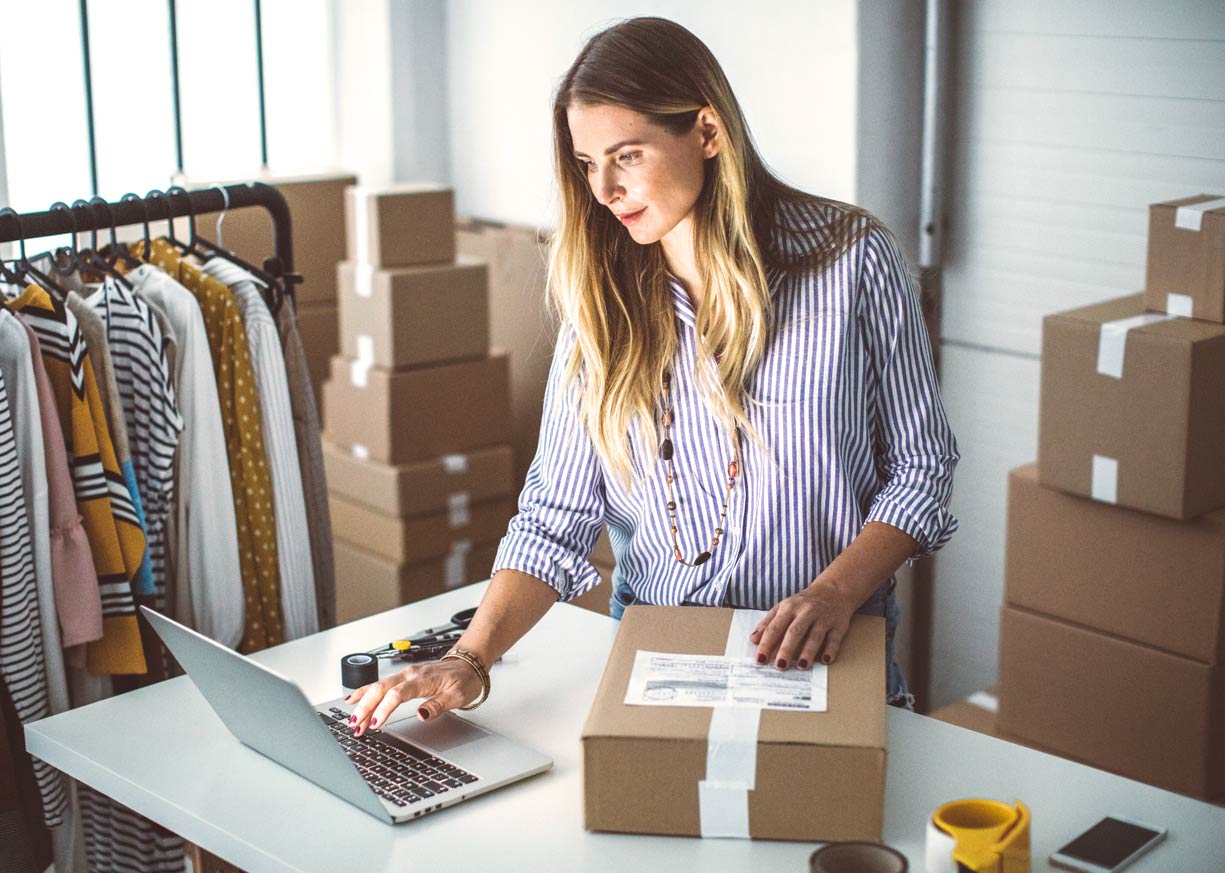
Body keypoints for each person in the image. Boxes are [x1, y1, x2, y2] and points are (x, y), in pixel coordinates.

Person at [347, 16, 958, 735]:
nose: (603, 188)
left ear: (705, 131)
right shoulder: (600, 302)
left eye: (626, 155)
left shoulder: (853, 260)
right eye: (585, 163)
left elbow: (922, 469)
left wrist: (832, 592)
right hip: (660, 658)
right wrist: (470, 660)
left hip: (828, 651)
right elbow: (555, 518)